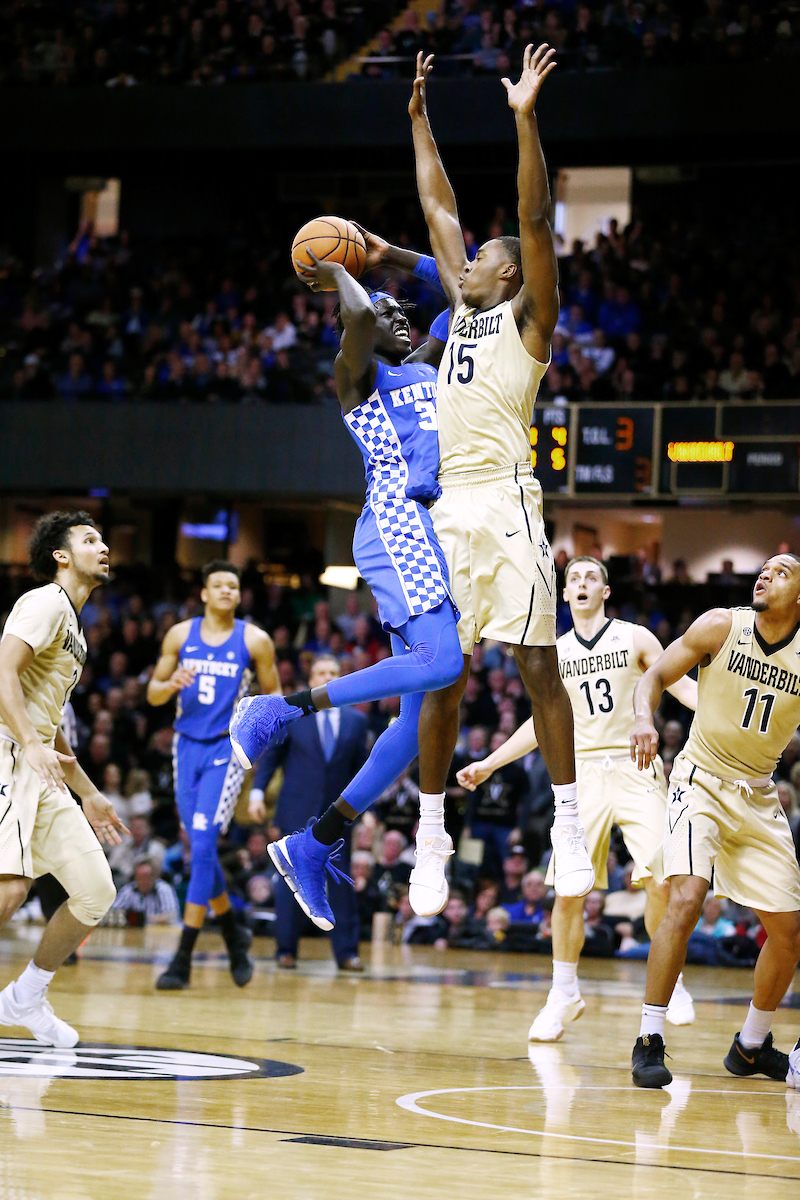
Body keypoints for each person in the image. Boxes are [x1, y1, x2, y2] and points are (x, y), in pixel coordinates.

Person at [407, 47, 593, 901]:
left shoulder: (529, 318)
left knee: (536, 663)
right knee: (443, 670)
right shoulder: (461, 310)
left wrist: (525, 119)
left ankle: (567, 813)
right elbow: (439, 204)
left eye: (480, 257)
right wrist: (419, 123)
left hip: (509, 497)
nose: (465, 261)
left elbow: (537, 216)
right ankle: (432, 831)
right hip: (450, 502)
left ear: (507, 273)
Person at [231, 248, 463, 928]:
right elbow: (361, 312)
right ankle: (278, 709)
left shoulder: (426, 364)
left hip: (431, 531)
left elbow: (466, 284)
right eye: (387, 313)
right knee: (444, 664)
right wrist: (336, 266)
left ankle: (317, 840)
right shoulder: (355, 375)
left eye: (405, 314)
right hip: (396, 521)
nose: (402, 320)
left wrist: (394, 254)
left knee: (421, 720)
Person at [459, 555, 697, 1041]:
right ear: (564, 595)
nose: (583, 584)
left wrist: (725, 715)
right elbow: (536, 725)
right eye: (574, 580)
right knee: (569, 891)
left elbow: (682, 685)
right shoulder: (555, 652)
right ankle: (564, 993)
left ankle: (669, 982)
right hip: (581, 774)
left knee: (660, 878)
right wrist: (489, 763)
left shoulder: (636, 637)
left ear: (605, 592)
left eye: (592, 578)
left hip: (636, 768)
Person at [630, 554, 800, 1088]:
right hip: (699, 781)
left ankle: (751, 1045)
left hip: (759, 794)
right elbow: (655, 675)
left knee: (790, 933)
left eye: (784, 571)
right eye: (765, 567)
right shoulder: (721, 624)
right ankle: (649, 1037)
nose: (767, 574)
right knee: (686, 897)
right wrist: (643, 718)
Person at [0, 512, 124, 1046]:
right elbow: (2, 672)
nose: (103, 547)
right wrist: (29, 742)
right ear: (61, 555)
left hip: (40, 766)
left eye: (102, 539)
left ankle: (25, 997)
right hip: (7, 752)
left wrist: (89, 792)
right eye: (89, 540)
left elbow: (51, 724)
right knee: (11, 891)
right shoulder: (46, 601)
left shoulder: (77, 630)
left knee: (96, 891)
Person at [146, 559, 279, 991]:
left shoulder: (255, 640)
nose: (226, 591)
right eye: (218, 585)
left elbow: (275, 697)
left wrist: (252, 734)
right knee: (199, 851)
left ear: (240, 595)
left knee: (202, 844)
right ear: (203, 593)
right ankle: (234, 938)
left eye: (233, 586)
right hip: (186, 747)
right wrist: (170, 686)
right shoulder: (180, 635)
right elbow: (152, 693)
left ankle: (182, 957)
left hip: (225, 748)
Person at [251, 655, 369, 970]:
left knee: (341, 882)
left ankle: (347, 953)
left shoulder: (357, 721)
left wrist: (369, 811)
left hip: (339, 815)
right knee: (291, 878)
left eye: (333, 672)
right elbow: (272, 758)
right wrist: (257, 792)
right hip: (296, 811)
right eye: (321, 672)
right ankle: (285, 950)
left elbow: (364, 770)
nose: (327, 676)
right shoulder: (293, 715)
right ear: (311, 678)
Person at [112, 858, 180, 925]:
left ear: (154, 876)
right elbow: (114, 912)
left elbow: (172, 916)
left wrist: (143, 919)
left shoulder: (164, 890)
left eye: (146, 877)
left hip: (161, 933)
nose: (143, 881)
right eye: (140, 877)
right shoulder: (128, 890)